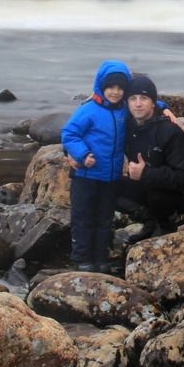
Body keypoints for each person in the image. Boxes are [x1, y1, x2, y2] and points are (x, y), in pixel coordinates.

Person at [60, 60, 130, 273]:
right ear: (101, 86)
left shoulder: (124, 110)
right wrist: (82, 154)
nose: (115, 92)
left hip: (110, 178)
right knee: (83, 218)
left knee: (104, 219)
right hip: (86, 175)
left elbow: (147, 104)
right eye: (110, 87)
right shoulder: (89, 110)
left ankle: (101, 258)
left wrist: (163, 108)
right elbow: (69, 134)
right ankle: (82, 258)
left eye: (120, 88)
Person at [118, 75, 184, 241]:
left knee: (157, 195)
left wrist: (146, 173)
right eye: (133, 98)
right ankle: (149, 221)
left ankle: (165, 227)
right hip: (145, 184)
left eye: (144, 98)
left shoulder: (170, 132)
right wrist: (72, 153)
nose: (138, 103)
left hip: (180, 194)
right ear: (127, 103)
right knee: (107, 186)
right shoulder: (127, 127)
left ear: (153, 102)